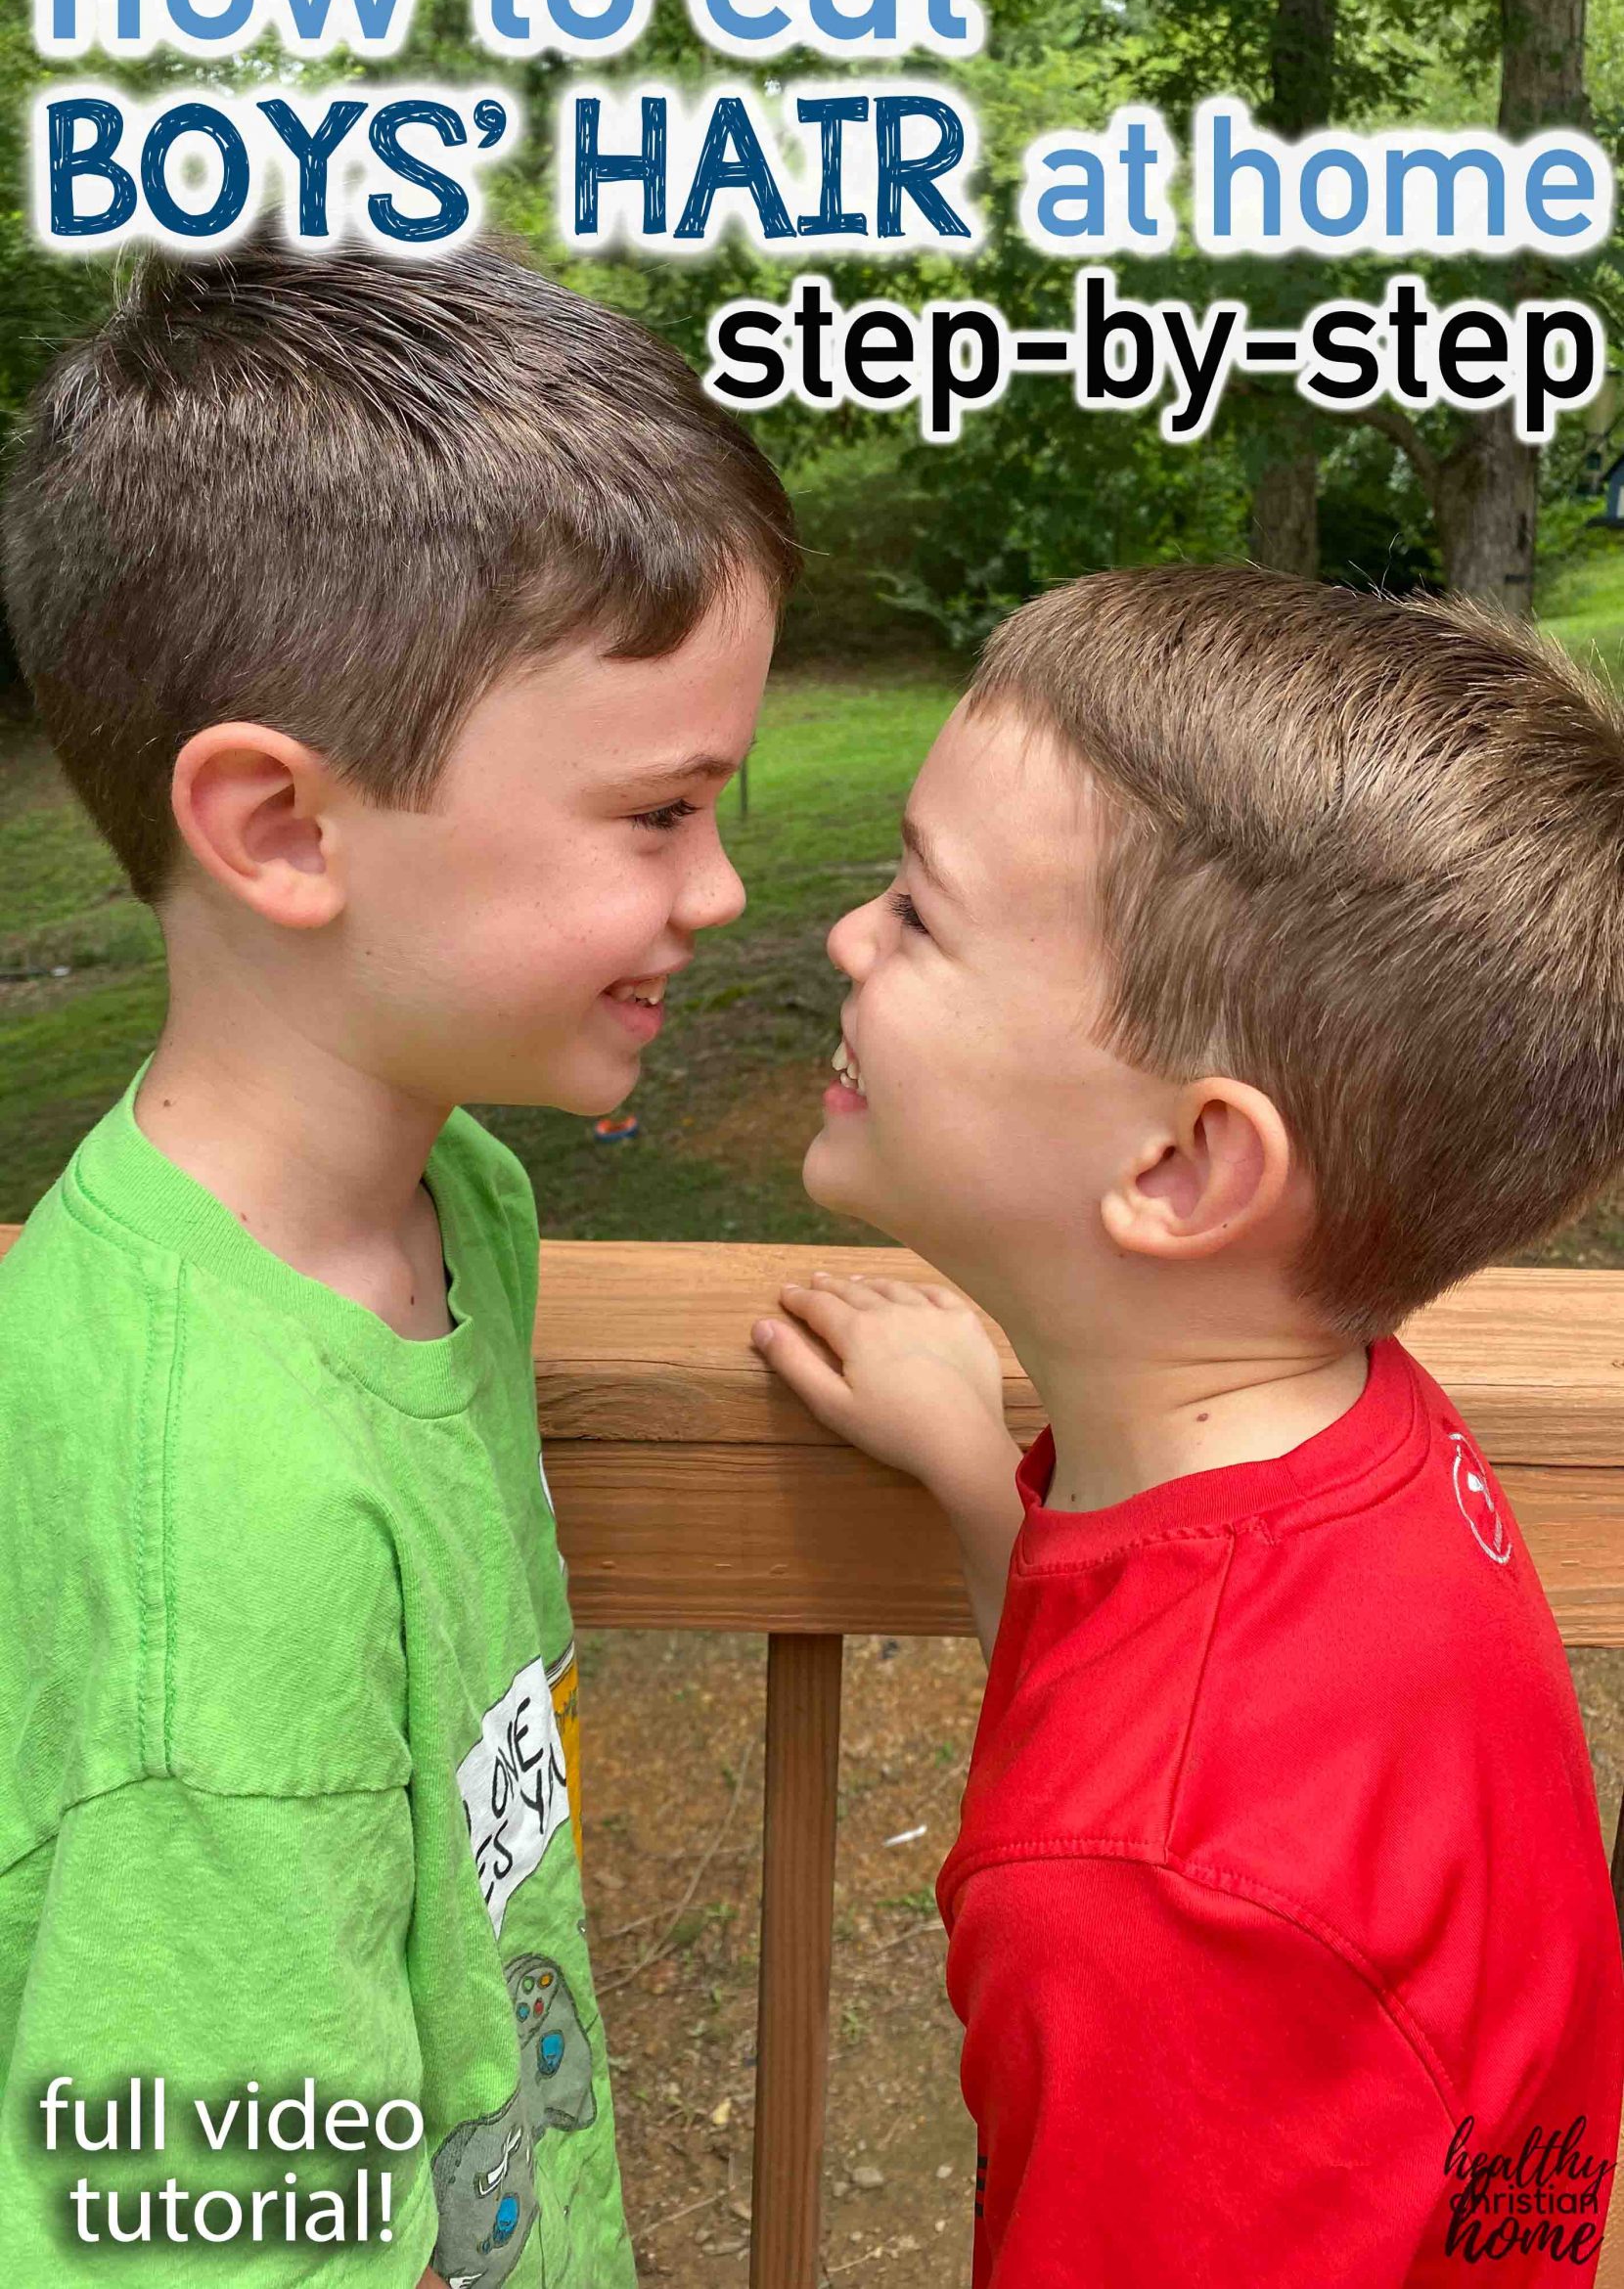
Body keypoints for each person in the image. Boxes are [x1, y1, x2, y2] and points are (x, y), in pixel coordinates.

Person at [0, 236, 796, 2285]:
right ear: (278, 826)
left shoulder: (462, 1201)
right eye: (655, 810)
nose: (721, 887)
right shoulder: (223, 1537)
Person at [752, 566, 1624, 2285]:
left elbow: (1173, 1822)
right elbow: (1173, 1687)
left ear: (1183, 1167)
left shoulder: (1146, 1911)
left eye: (920, 914)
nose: (846, 936)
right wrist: (966, 1466)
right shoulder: (1364, 1448)